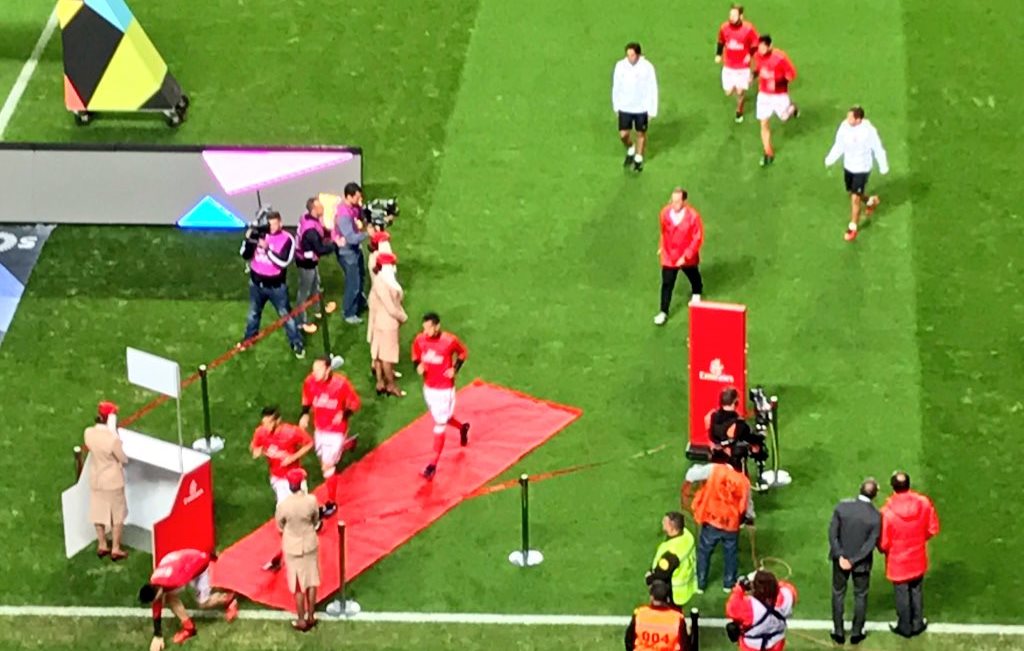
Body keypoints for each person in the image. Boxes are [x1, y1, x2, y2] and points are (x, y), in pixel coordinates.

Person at [249, 405, 313, 571]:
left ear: (278, 421)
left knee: (299, 516)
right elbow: (254, 447)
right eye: (264, 423)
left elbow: (308, 443)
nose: (266, 427)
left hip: (295, 479)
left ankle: (296, 551)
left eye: (269, 423)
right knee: (284, 521)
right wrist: (258, 451)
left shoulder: (291, 432)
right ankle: (288, 552)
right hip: (278, 480)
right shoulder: (261, 432)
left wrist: (293, 457)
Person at [138, 548, 238, 650]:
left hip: (199, 565)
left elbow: (197, 563)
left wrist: (211, 557)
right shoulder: (155, 581)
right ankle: (189, 627)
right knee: (169, 597)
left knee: (203, 603)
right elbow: (157, 605)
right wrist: (157, 635)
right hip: (183, 561)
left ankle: (229, 599)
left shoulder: (176, 580)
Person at [879, 471, 940, 638]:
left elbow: (884, 542)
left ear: (893, 487)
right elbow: (932, 528)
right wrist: (919, 539)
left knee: (902, 594)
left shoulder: (887, 512)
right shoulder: (924, 503)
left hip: (898, 561)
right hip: (918, 556)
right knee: (916, 590)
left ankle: (904, 626)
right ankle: (917, 623)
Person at [299, 357, 361, 516]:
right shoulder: (310, 381)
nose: (314, 373)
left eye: (318, 370)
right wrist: (305, 415)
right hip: (320, 428)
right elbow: (307, 399)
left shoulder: (341, 384)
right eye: (314, 369)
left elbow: (355, 402)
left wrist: (344, 414)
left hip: (336, 430)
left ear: (328, 370)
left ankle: (332, 503)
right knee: (322, 459)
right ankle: (348, 444)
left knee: (327, 467)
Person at [411, 312, 470, 479]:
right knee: (443, 417)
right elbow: (415, 354)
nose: (426, 331)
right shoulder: (420, 340)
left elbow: (463, 353)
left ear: (437, 326)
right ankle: (462, 427)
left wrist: (455, 369)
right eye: (424, 328)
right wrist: (418, 365)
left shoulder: (449, 341)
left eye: (429, 328)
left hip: (444, 389)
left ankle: (432, 465)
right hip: (428, 387)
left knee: (439, 424)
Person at [239, 210, 305, 358]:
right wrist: (250, 240)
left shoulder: (287, 239)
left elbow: (284, 262)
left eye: (274, 224)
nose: (271, 228)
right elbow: (244, 254)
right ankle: (249, 339)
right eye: (269, 225)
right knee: (253, 314)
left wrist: (267, 249)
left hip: (276, 287)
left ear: (280, 223)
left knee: (286, 315)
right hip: (256, 284)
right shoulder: (259, 234)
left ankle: (297, 343)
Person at [824, 105, 890, 242]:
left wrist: (883, 166)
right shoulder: (844, 126)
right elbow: (839, 144)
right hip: (849, 166)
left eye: (850, 117)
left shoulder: (869, 131)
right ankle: (871, 201)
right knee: (852, 192)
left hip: (862, 168)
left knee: (855, 198)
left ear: (859, 119)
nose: (847, 119)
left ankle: (852, 227)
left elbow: (878, 148)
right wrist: (830, 158)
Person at [828, 478, 881, 645]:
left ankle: (838, 631)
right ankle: (857, 632)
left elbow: (832, 534)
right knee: (860, 595)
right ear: (875, 495)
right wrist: (853, 560)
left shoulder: (842, 507)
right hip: (861, 564)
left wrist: (841, 556)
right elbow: (869, 545)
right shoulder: (875, 516)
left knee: (838, 593)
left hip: (840, 561)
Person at [691, 447, 750, 593]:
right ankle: (729, 584)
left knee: (704, 552)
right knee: (731, 553)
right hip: (731, 524)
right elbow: (744, 507)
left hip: (711, 519)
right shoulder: (744, 481)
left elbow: (691, 475)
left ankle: (701, 583)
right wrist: (748, 518)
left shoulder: (716, 470)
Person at [275, 468, 321, 632]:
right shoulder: (311, 500)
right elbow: (316, 518)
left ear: (289, 485)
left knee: (298, 585)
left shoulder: (284, 505)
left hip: (292, 547)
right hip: (309, 543)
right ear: (301, 484)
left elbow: (280, 525)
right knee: (311, 581)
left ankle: (301, 620)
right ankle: (311, 616)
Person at [83, 401, 129, 561]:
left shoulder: (88, 433)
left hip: (96, 478)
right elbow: (123, 458)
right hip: (113, 481)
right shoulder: (112, 439)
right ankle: (115, 548)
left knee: (98, 511)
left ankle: (102, 544)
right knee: (117, 515)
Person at [654, 188, 703, 326]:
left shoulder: (693, 216)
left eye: (677, 201)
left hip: (686, 255)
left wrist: (686, 256)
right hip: (670, 255)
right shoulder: (665, 213)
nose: (673, 204)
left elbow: (697, 237)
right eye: (672, 200)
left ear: (684, 201)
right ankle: (663, 311)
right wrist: (662, 246)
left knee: (693, 274)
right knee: (667, 283)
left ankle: (697, 291)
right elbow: (663, 231)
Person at [295, 197, 340, 333]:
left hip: (309, 260)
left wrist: (329, 233)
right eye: (320, 206)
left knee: (316, 284)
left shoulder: (308, 218)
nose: (323, 208)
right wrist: (335, 244)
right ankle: (301, 322)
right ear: (314, 210)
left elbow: (321, 231)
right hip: (306, 263)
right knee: (304, 291)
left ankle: (318, 309)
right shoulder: (310, 231)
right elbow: (320, 249)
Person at [752, 35, 798, 167]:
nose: (761, 49)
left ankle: (793, 108)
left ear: (770, 46)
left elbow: (791, 75)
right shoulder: (758, 56)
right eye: (759, 47)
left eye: (763, 47)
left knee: (784, 118)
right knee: (763, 123)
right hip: (764, 95)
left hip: (779, 95)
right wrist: (753, 76)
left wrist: (777, 82)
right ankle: (768, 153)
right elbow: (760, 69)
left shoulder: (780, 58)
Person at [612, 42, 659, 172]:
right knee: (623, 134)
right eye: (628, 55)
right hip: (625, 106)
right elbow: (616, 86)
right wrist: (616, 105)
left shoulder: (647, 67)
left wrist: (652, 109)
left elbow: (652, 88)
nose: (630, 58)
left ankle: (638, 158)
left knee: (640, 133)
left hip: (641, 107)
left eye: (632, 55)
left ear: (638, 54)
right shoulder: (620, 66)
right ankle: (631, 147)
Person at [367, 252, 408, 397]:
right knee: (387, 356)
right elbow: (391, 307)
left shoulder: (380, 280)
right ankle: (391, 385)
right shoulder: (383, 283)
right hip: (387, 324)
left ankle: (380, 382)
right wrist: (403, 317)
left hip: (380, 322)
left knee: (378, 353)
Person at [725, 570, 797, 651]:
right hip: (776, 643)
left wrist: (739, 588)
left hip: (752, 646)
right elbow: (786, 587)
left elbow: (731, 608)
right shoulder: (787, 596)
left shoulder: (750, 607)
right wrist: (769, 582)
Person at [715, 5, 759, 123]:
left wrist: (749, 54)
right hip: (728, 65)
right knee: (728, 92)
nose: (731, 17)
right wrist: (718, 54)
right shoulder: (724, 27)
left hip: (742, 67)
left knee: (740, 92)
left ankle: (739, 110)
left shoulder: (749, 29)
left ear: (741, 16)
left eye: (734, 15)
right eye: (730, 15)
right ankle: (740, 86)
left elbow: (755, 44)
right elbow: (721, 41)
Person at [647, 512, 698, 607]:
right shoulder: (688, 536)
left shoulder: (671, 553)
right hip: (686, 585)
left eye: (665, 522)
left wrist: (649, 578)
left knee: (670, 613)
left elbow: (661, 574)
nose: (662, 523)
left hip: (674, 592)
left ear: (672, 528)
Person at [334, 182, 368, 324]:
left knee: (361, 276)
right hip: (346, 252)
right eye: (357, 198)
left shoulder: (353, 207)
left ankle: (359, 302)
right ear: (349, 196)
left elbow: (361, 216)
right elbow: (351, 238)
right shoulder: (343, 215)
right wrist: (368, 234)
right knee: (353, 283)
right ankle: (349, 313)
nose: (359, 201)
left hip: (354, 250)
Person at [624, 580, 690, 651]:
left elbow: (629, 641)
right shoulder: (677, 618)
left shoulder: (639, 614)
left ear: (652, 597)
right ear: (667, 599)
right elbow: (685, 645)